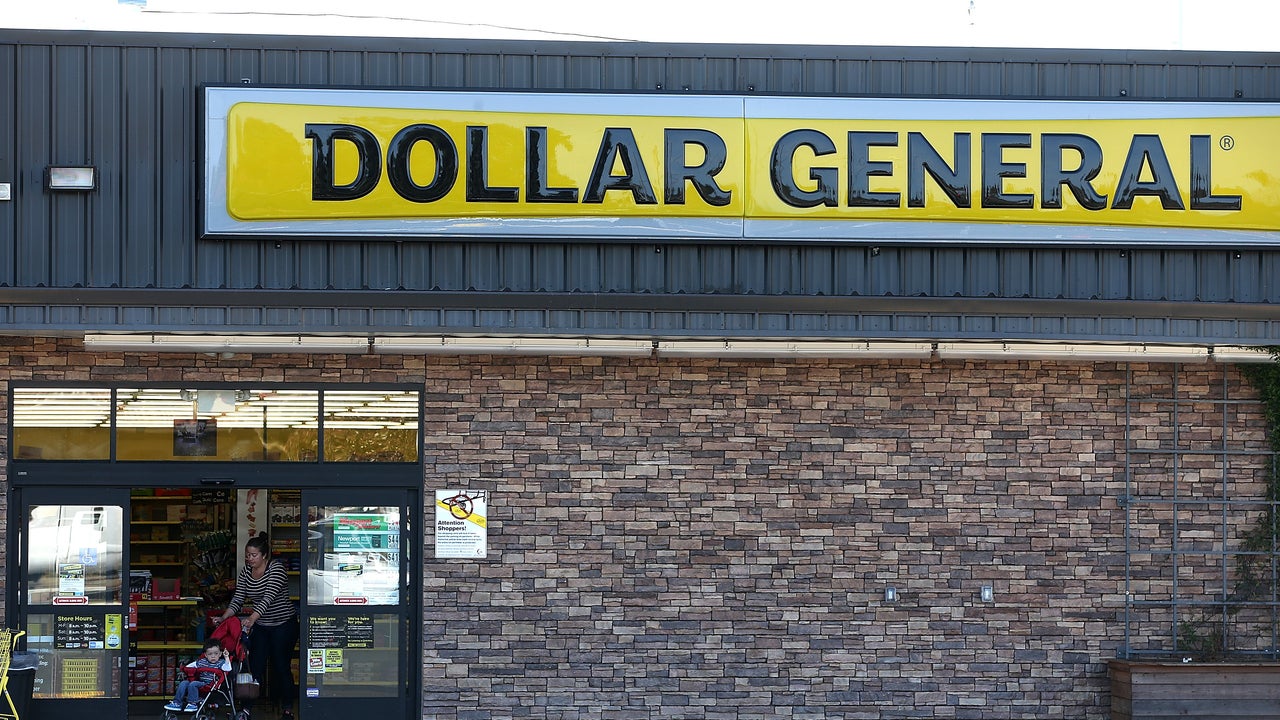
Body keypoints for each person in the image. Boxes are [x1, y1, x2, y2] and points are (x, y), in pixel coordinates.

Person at [214, 532, 298, 720]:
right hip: (262, 625)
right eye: (247, 555)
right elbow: (238, 597)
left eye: (254, 555)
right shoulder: (245, 571)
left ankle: (287, 708)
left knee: (281, 666)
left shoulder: (276, 569)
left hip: (283, 624)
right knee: (254, 666)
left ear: (264, 556)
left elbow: (268, 598)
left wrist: (251, 618)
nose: (249, 559)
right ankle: (246, 709)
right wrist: (224, 617)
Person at [165, 638, 230, 713]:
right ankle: (177, 702)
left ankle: (193, 703)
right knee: (184, 683)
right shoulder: (201, 662)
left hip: (210, 684)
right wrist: (184, 668)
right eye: (210, 654)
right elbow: (190, 666)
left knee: (193, 684)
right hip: (200, 682)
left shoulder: (221, 663)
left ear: (220, 654)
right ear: (205, 655)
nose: (213, 656)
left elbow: (227, 669)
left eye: (216, 653)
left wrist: (226, 657)